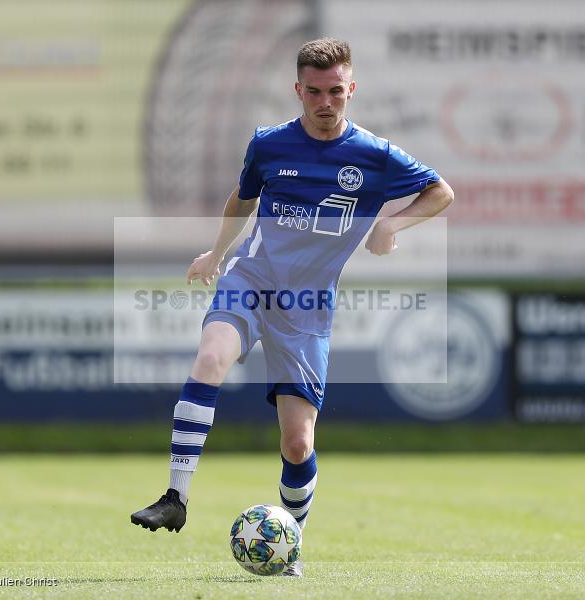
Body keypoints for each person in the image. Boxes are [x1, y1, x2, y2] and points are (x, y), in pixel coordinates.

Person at [131, 37, 453, 577]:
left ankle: (290, 548)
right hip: (252, 281)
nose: (325, 103)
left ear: (351, 90)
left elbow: (441, 191)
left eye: (336, 92)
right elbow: (243, 197)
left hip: (307, 308)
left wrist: (393, 223)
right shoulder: (269, 144)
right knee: (210, 361)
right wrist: (217, 252)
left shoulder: (376, 155)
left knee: (298, 445)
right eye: (314, 92)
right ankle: (175, 496)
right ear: (298, 91)